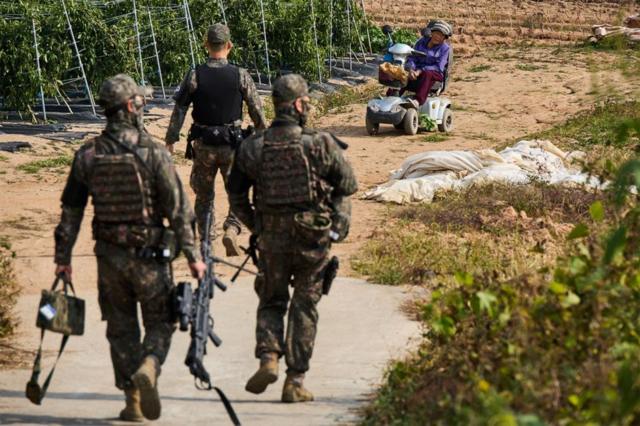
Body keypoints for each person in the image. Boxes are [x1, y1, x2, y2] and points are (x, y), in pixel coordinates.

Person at [53, 74, 206, 422]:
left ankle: (132, 400)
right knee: (162, 321)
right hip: (151, 257)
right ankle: (150, 365)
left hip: (109, 259)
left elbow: (71, 212)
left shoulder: (87, 154)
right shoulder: (152, 153)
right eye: (139, 101)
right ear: (129, 107)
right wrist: (194, 257)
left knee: (120, 329)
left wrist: (63, 260)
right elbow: (178, 209)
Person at [227, 74, 358, 402]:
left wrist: (256, 226)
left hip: (271, 238)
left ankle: (269, 357)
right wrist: (338, 227)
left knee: (271, 299)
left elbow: (236, 194)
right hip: (312, 240)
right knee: (305, 305)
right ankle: (295, 381)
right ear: (299, 105)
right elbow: (347, 184)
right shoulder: (319, 144)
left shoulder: (253, 146)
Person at [165, 23, 267, 257]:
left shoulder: (194, 75)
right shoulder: (240, 75)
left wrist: (171, 139)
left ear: (206, 45)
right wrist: (263, 135)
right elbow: (256, 109)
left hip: (204, 145)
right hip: (232, 144)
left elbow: (179, 109)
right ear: (229, 45)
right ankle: (232, 227)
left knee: (204, 194)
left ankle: (207, 240)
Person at [401, 20, 453, 105]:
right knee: (402, 72)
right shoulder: (421, 42)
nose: (438, 37)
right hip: (416, 71)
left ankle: (418, 101)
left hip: (434, 73)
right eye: (436, 33)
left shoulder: (445, 48)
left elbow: (439, 67)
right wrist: (411, 69)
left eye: (441, 35)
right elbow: (412, 57)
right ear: (432, 33)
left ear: (444, 38)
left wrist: (420, 70)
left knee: (427, 74)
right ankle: (391, 97)